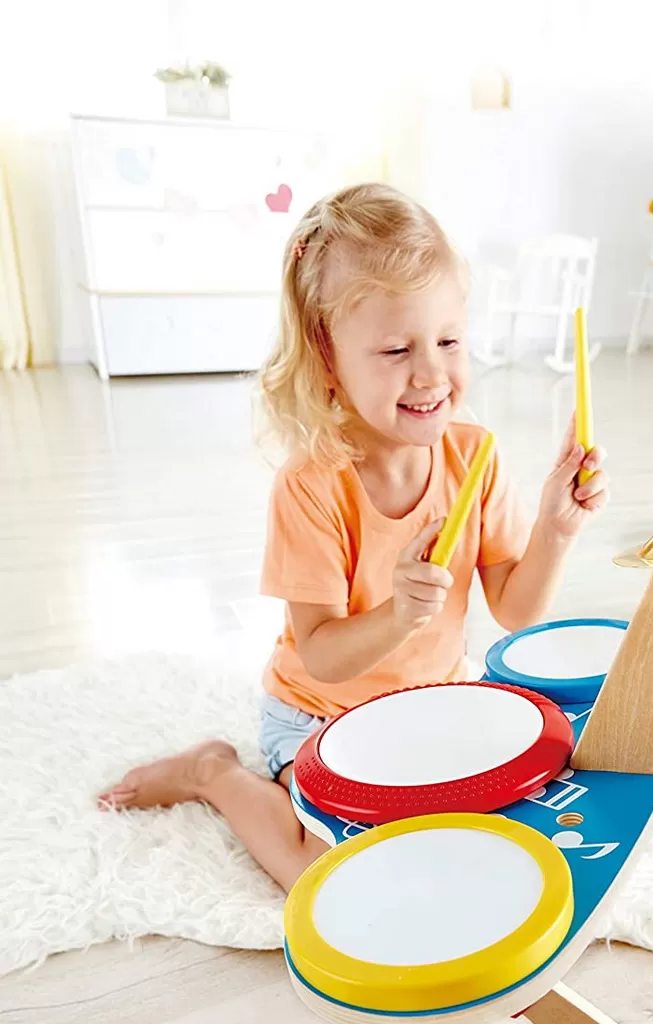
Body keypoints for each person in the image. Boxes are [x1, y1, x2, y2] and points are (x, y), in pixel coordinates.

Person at [99, 183, 608, 891]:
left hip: (432, 703)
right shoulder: (310, 485)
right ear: (327, 356)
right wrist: (400, 614)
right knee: (333, 871)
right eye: (396, 348)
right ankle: (212, 771)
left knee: (504, 828)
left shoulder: (475, 456)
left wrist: (556, 527)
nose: (431, 373)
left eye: (448, 340)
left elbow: (518, 612)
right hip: (319, 715)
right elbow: (323, 657)